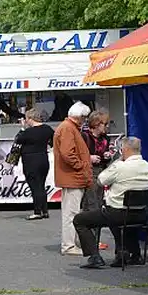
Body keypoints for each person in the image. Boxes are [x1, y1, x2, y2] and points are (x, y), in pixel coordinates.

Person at [73, 137, 148, 269]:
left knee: (80, 220)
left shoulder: (120, 166)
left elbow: (100, 180)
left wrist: (117, 161)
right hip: (141, 214)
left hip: (118, 214)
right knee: (119, 217)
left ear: (125, 150)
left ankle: (94, 256)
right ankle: (131, 254)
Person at [53, 101, 92, 256]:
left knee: (71, 213)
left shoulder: (66, 127)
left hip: (71, 176)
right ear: (80, 117)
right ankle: (69, 245)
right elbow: (68, 153)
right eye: (85, 118)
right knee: (72, 214)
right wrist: (81, 165)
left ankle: (70, 244)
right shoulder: (69, 129)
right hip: (72, 177)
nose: (85, 121)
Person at [15, 108, 55, 220]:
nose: (26, 121)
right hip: (43, 159)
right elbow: (53, 141)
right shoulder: (47, 129)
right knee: (41, 185)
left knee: (34, 187)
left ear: (31, 118)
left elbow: (18, 139)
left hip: (30, 161)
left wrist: (22, 128)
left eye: (26, 119)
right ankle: (44, 210)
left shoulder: (28, 132)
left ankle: (37, 211)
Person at [81, 111, 112, 211]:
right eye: (105, 124)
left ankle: (92, 224)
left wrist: (107, 155)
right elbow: (78, 154)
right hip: (89, 171)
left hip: (102, 171)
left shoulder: (105, 138)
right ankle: (92, 224)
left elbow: (106, 154)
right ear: (96, 124)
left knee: (98, 199)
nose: (107, 127)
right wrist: (89, 157)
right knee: (92, 200)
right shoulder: (85, 136)